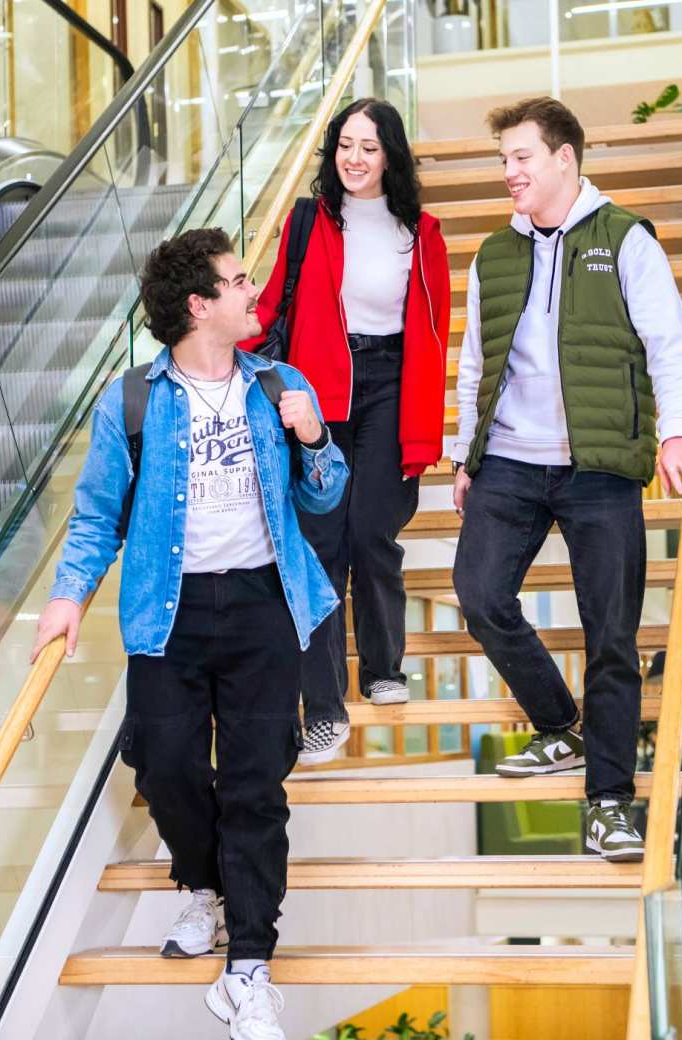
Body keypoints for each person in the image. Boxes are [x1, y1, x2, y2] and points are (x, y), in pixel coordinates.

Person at [30, 228, 348, 1040]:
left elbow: (325, 498)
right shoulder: (131, 400)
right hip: (166, 611)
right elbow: (100, 513)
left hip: (263, 605)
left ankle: (249, 967)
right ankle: (201, 888)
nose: (254, 294)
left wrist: (312, 437)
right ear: (199, 305)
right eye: (239, 282)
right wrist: (69, 596)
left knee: (253, 785)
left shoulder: (278, 384)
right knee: (166, 766)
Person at [451, 97, 682, 863]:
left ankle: (610, 802)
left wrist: (678, 432)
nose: (509, 173)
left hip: (599, 465)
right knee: (481, 596)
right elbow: (472, 364)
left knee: (613, 637)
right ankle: (562, 727)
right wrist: (466, 454)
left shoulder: (625, 240)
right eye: (503, 160)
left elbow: (669, 345)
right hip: (510, 461)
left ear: (565, 157)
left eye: (521, 157)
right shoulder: (493, 255)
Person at [244, 98, 451, 766]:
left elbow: (435, 330)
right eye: (345, 146)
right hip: (319, 392)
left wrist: (426, 426)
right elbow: (272, 303)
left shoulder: (423, 232)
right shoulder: (308, 221)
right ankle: (325, 712)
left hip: (392, 384)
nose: (355, 159)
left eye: (369, 146)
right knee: (320, 546)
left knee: (371, 531)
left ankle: (385, 664)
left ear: (391, 154)